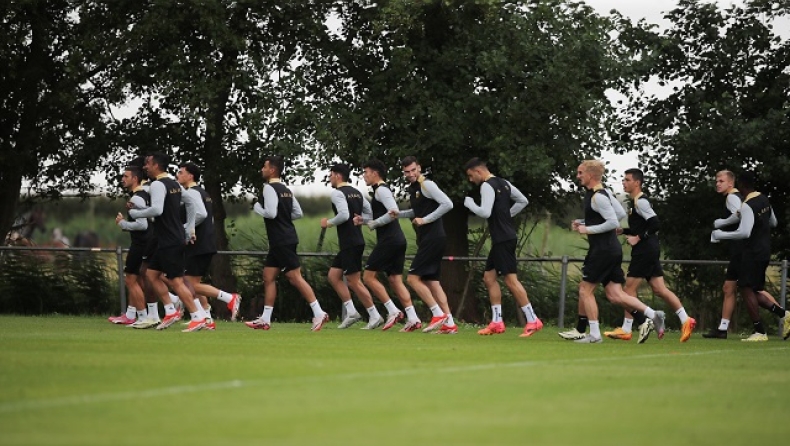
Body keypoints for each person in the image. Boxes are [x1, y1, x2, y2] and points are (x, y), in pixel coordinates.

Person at [565, 160, 663, 344]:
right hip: (610, 249)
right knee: (615, 295)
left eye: (580, 173)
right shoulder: (604, 193)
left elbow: (613, 222)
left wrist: (588, 229)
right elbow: (619, 213)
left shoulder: (599, 197)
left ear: (591, 175)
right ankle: (653, 315)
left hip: (603, 250)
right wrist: (584, 222)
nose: (578, 176)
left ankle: (594, 335)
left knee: (585, 289)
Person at [603, 168, 696, 343]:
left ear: (637, 183)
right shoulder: (635, 202)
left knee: (628, 290)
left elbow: (655, 224)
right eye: (624, 179)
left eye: (627, 180)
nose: (624, 182)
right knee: (660, 290)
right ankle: (686, 319)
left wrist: (638, 238)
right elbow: (643, 226)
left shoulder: (641, 202)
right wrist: (624, 231)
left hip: (645, 250)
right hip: (649, 249)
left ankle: (626, 329)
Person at [244, 155, 329, 331]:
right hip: (282, 240)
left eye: (264, 166)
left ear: (272, 170)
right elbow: (298, 213)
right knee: (268, 276)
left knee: (294, 277)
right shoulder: (286, 190)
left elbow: (271, 213)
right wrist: (283, 218)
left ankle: (319, 312)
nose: (262, 169)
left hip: (281, 240)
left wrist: (258, 208)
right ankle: (265, 319)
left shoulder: (269, 188)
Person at [462, 158, 543, 337]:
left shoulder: (486, 185)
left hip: (503, 239)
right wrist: (506, 216)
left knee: (511, 280)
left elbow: (485, 212)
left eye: (470, 175)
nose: (470, 180)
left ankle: (533, 319)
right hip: (505, 237)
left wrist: (470, 204)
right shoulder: (504, 183)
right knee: (489, 277)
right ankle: (497, 321)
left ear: (478, 171)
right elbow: (523, 201)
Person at [128, 152, 207, 332]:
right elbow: (191, 204)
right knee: (151, 274)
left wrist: (136, 213)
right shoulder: (174, 184)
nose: (145, 167)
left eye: (147, 163)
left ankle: (198, 317)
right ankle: (171, 311)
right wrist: (189, 228)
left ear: (156, 165)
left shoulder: (158, 184)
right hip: (169, 239)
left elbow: (157, 209)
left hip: (169, 240)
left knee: (176, 281)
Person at [711, 172, 790, 341]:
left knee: (746, 289)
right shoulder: (764, 199)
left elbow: (744, 232)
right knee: (753, 289)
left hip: (752, 252)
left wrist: (720, 234)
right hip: (765, 250)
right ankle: (784, 315)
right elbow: (773, 222)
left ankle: (760, 331)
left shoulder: (747, 205)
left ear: (740, 185)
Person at [354, 159, 421, 331]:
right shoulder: (380, 190)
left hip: (389, 240)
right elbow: (385, 215)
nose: (364, 176)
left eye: (366, 172)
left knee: (368, 277)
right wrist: (364, 221)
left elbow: (393, 212)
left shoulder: (381, 190)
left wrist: (374, 223)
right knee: (395, 280)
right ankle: (413, 318)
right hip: (397, 239)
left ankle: (393, 311)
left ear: (375, 173)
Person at [393, 156, 456, 334]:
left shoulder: (427, 185)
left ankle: (437, 314)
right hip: (430, 238)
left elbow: (448, 204)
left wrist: (426, 220)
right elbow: (417, 211)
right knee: (432, 282)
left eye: (413, 170)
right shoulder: (414, 189)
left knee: (412, 279)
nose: (410, 174)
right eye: (407, 172)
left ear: (419, 168)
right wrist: (398, 214)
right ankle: (450, 323)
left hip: (433, 238)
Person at [176, 162, 242, 330]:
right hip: (204, 242)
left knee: (190, 284)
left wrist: (186, 229)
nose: (178, 175)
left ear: (190, 176)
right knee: (193, 283)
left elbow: (201, 214)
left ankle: (230, 298)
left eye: (181, 172)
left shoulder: (191, 192)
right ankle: (206, 318)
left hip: (197, 243)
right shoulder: (204, 193)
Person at [321, 163, 384, 330]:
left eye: (331, 175)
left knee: (353, 281)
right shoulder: (357, 193)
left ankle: (374, 315)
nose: (330, 179)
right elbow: (369, 214)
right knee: (333, 276)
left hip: (350, 243)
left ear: (337, 175)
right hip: (353, 242)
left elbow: (343, 215)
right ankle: (351, 312)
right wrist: (360, 221)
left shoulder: (337, 193)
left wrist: (328, 223)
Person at [108, 165, 151, 325]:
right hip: (147, 242)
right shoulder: (146, 195)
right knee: (141, 279)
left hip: (140, 243)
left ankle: (144, 317)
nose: (122, 179)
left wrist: (122, 223)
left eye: (126, 176)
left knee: (130, 280)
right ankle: (133, 315)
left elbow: (142, 225)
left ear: (135, 178)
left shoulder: (136, 198)